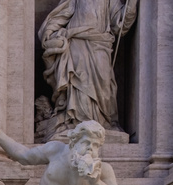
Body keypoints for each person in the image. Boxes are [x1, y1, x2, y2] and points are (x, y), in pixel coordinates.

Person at [39, 0, 138, 138]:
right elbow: (60, 15)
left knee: (104, 86)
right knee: (79, 83)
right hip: (77, 43)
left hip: (100, 44)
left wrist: (131, 3)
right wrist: (49, 32)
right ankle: (77, 122)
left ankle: (103, 122)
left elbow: (121, 24)